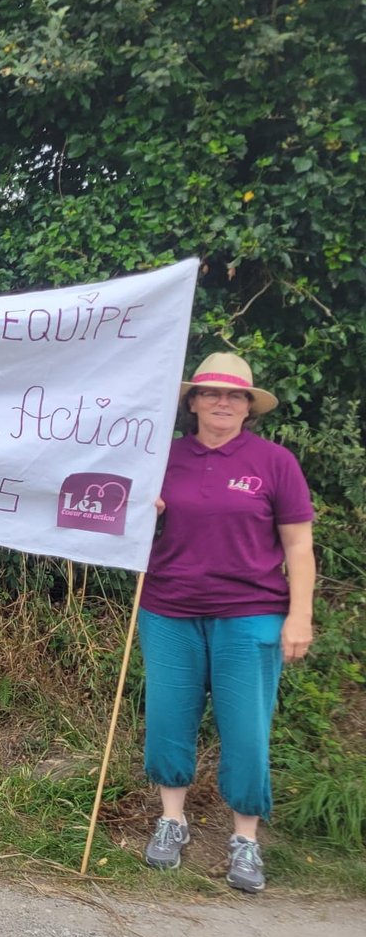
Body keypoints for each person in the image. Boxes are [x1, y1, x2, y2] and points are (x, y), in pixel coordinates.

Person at [139, 352, 314, 892]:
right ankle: (172, 820)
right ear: (192, 402)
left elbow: (299, 545)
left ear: (248, 406)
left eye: (235, 395)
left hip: (252, 614)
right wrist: (143, 512)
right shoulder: (161, 457)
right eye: (211, 393)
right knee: (168, 719)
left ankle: (245, 839)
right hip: (169, 609)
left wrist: (300, 615)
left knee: (246, 729)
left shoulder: (274, 462)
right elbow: (120, 520)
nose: (222, 402)